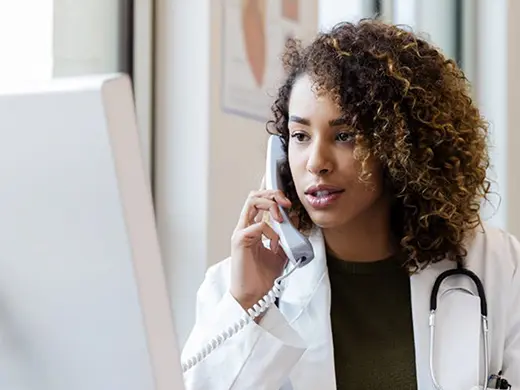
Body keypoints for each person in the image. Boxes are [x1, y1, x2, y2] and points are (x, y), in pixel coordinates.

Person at [181, 19, 520, 389]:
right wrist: (247, 301)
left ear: (398, 147)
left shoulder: (498, 266)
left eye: (344, 136)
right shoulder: (240, 285)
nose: (315, 162)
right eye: (300, 136)